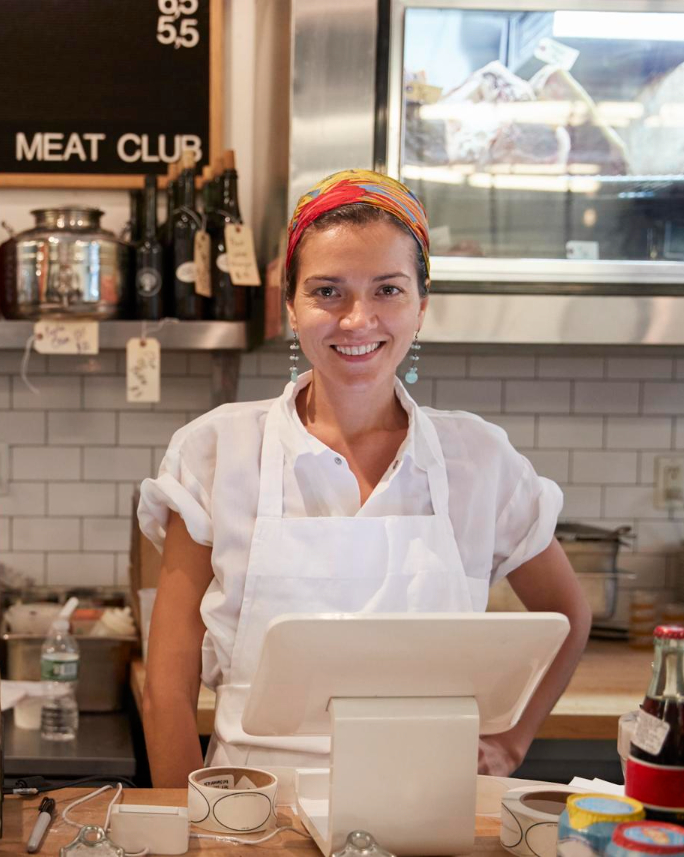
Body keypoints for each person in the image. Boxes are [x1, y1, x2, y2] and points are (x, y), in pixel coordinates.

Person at [138, 170, 592, 786]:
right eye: (327, 291)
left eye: (388, 290)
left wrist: (511, 743)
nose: (357, 320)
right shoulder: (217, 452)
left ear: (421, 307)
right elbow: (167, 686)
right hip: (255, 817)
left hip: (431, 814)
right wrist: (193, 832)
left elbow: (567, 614)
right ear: (290, 306)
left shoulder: (478, 460)